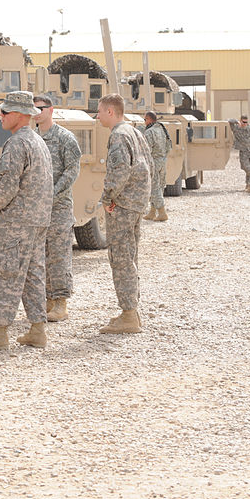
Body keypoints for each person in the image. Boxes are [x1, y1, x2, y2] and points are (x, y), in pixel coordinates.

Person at [0, 91, 53, 350]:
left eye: (5, 112)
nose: (1, 116)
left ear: (19, 115)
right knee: (33, 274)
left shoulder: (17, 143)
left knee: (7, 273)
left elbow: (7, 184)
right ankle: (37, 330)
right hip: (37, 220)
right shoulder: (38, 140)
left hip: (17, 221)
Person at [95, 93, 152, 334]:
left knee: (121, 259)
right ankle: (131, 311)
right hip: (136, 203)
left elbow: (118, 171)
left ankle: (129, 315)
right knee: (130, 256)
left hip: (123, 205)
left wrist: (107, 198)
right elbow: (148, 163)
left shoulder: (118, 135)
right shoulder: (135, 132)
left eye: (99, 111)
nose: (97, 116)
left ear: (110, 112)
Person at [32, 95, 80, 322]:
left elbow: (72, 171)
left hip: (58, 207)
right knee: (40, 254)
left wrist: (52, 193)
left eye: (39, 108)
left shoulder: (64, 138)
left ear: (51, 110)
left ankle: (61, 302)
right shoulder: (31, 138)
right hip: (36, 208)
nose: (36, 112)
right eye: (33, 109)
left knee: (59, 255)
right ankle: (47, 300)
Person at [142, 111, 171, 222]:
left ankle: (162, 212)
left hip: (153, 162)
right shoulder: (162, 130)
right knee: (160, 186)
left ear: (149, 119)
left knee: (154, 188)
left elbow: (147, 150)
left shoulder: (149, 132)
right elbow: (169, 146)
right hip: (162, 161)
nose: (145, 122)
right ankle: (153, 212)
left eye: (145, 120)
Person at [228, 115, 250, 190]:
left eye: (246, 122)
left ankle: (249, 186)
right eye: (243, 122)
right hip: (242, 150)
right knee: (244, 166)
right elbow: (229, 120)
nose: (245, 123)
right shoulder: (236, 127)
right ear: (240, 121)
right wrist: (236, 121)